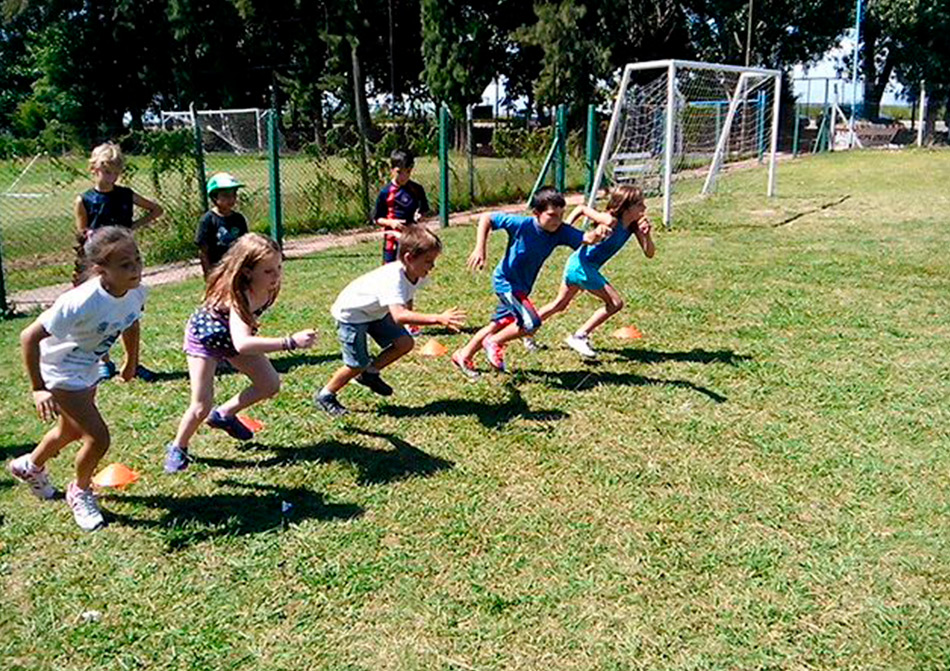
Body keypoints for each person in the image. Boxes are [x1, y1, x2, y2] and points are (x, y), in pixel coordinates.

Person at [9, 227, 148, 531]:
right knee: (98, 437)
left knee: (70, 430)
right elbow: (29, 336)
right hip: (59, 370)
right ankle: (80, 491)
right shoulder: (81, 301)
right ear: (102, 270)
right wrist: (38, 389)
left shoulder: (136, 290)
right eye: (125, 265)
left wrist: (130, 361)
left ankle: (29, 466)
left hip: (87, 367)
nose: (136, 269)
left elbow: (131, 322)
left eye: (137, 260)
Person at [164, 233, 317, 473]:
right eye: (268, 271)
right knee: (200, 405)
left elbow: (241, 338)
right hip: (205, 339)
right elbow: (243, 344)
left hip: (232, 338)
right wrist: (290, 342)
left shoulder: (267, 288)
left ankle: (223, 415)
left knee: (269, 384)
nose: (276, 276)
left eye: (279, 267)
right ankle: (178, 446)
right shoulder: (239, 295)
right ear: (247, 271)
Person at [451, 187, 609, 379]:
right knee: (532, 323)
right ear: (537, 213)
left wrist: (598, 234)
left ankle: (463, 355)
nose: (558, 220)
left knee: (498, 324)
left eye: (561, 215)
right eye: (552, 215)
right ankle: (494, 342)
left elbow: (586, 238)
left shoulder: (560, 231)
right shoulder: (521, 224)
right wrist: (480, 248)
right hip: (506, 283)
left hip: (522, 287)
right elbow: (487, 217)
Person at [315, 225, 465, 417]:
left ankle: (369, 373)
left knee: (404, 342)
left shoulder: (417, 274)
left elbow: (407, 296)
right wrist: (438, 318)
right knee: (355, 364)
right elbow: (399, 315)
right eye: (428, 261)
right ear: (409, 258)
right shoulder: (393, 278)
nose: (432, 266)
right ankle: (326, 394)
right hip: (352, 315)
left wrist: (410, 315)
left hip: (375, 312)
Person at [73, 141, 163, 384]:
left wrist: (131, 229)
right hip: (100, 266)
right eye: (106, 171)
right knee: (101, 311)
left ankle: (131, 361)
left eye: (115, 171)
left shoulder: (125, 195)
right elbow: (82, 234)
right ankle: (104, 361)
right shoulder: (85, 200)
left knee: (129, 310)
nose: (111, 176)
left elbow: (156, 210)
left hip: (125, 263)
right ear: (94, 169)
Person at [536, 185, 655, 359]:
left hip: (581, 266)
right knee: (615, 303)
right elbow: (581, 208)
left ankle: (526, 331)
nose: (644, 208)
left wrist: (647, 234)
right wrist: (565, 230)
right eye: (640, 204)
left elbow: (649, 253)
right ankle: (579, 336)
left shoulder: (633, 227)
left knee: (559, 305)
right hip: (581, 266)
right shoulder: (610, 220)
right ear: (627, 207)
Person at [373, 150, 431, 335]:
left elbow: (425, 210)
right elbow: (376, 218)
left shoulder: (416, 189)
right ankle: (387, 319)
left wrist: (420, 216)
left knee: (409, 277)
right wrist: (390, 223)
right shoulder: (385, 193)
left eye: (407, 172)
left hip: (411, 241)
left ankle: (409, 319)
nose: (403, 176)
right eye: (399, 172)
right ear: (392, 170)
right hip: (392, 242)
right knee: (391, 280)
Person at [195, 172, 248, 278]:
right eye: (226, 195)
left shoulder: (239, 219)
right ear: (214, 198)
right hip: (218, 270)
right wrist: (209, 274)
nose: (231, 199)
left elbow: (245, 245)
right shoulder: (208, 220)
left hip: (236, 268)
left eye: (233, 195)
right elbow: (203, 251)